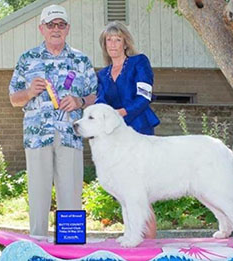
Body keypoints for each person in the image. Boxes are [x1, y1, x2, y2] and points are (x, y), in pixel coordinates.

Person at [9, 4, 97, 241]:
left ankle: (71, 248)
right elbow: (13, 99)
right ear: (41, 29)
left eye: (60, 24)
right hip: (37, 137)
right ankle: (36, 248)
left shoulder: (81, 60)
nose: (55, 29)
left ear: (67, 29)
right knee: (38, 197)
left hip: (70, 135)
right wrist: (28, 92)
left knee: (71, 196)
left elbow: (96, 96)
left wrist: (79, 100)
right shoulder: (27, 59)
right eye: (50, 25)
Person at [96, 21, 160, 238]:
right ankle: (133, 236)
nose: (113, 44)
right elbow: (101, 103)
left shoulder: (139, 62)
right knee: (126, 193)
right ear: (104, 45)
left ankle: (148, 243)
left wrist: (119, 113)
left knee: (142, 192)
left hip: (140, 129)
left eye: (117, 39)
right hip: (116, 137)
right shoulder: (102, 75)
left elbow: (144, 96)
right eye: (109, 40)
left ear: (125, 43)